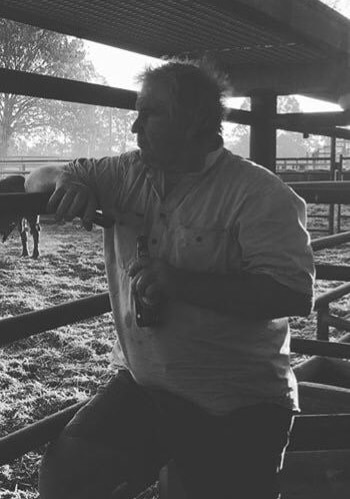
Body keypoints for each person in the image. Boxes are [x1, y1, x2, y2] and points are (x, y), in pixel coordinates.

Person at [25, 59, 315, 499]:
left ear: (195, 121)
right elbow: (37, 178)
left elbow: (293, 292)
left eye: (151, 113)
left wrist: (181, 283)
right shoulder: (127, 173)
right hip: (150, 387)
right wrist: (69, 183)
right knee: (65, 472)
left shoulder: (258, 194)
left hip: (240, 401)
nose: (134, 127)